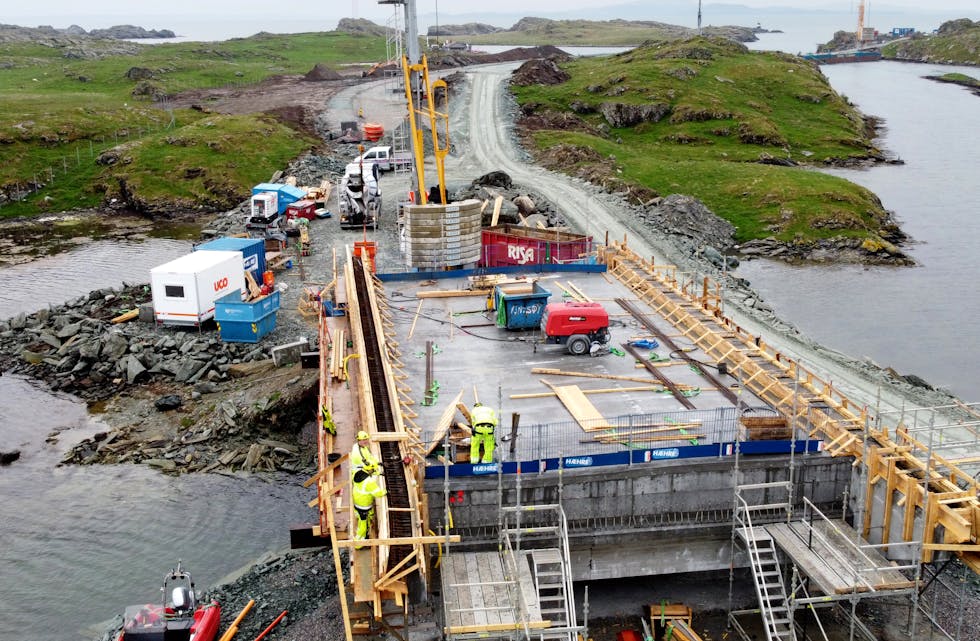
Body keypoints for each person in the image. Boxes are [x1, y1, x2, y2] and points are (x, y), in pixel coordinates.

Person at [351, 465, 386, 548]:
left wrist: (378, 473)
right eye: (373, 470)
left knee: (363, 519)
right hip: (364, 505)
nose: (374, 471)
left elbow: (369, 473)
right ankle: (358, 544)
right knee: (363, 525)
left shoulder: (357, 473)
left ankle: (366, 531)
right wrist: (385, 491)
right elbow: (378, 493)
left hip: (357, 502)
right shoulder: (369, 482)